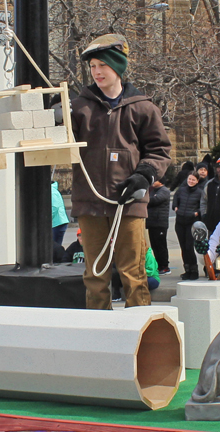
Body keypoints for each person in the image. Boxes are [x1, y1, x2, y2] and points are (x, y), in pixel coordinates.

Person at [70, 33, 171, 310]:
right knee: (95, 274)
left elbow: (159, 149)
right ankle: (98, 333)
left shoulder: (143, 107)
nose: (97, 71)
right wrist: (54, 117)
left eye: (102, 64)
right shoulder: (79, 107)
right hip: (90, 202)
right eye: (92, 66)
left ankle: (139, 330)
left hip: (129, 201)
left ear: (118, 67)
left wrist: (144, 175)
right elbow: (60, 144)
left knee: (133, 272)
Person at [173, 171, 202, 280]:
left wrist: (196, 213)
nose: (191, 181)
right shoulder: (181, 190)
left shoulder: (200, 192)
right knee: (183, 247)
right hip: (180, 221)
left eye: (193, 179)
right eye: (189, 179)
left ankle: (194, 270)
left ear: (197, 181)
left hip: (191, 222)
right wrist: (175, 207)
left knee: (189, 247)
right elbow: (176, 199)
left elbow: (202, 206)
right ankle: (187, 270)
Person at [146, 176, 171, 275]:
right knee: (154, 245)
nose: (153, 182)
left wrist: (146, 199)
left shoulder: (164, 191)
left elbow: (153, 200)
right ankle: (159, 265)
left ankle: (165, 266)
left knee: (161, 245)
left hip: (160, 223)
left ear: (160, 182)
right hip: (152, 223)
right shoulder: (154, 190)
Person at [201, 157, 220, 235]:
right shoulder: (209, 184)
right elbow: (203, 201)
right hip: (211, 224)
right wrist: (204, 215)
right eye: (218, 167)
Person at [51, 181, 69, 246]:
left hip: (56, 223)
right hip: (59, 222)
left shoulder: (52, 191)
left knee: (54, 246)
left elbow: (54, 207)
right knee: (56, 246)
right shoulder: (53, 191)